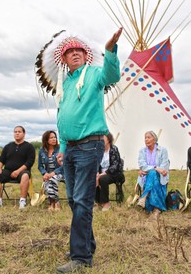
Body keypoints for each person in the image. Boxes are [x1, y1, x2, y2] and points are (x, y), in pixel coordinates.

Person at [39, 27, 123, 273]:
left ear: (86, 55)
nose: (75, 53)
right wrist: (63, 147)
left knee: (83, 200)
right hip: (72, 148)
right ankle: (86, 245)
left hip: (90, 144)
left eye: (79, 50)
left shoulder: (95, 74)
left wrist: (109, 50)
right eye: (69, 52)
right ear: (63, 59)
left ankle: (81, 258)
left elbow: (113, 75)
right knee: (74, 200)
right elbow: (62, 120)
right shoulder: (64, 86)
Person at [0, 126, 35, 209]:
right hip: (8, 171)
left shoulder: (29, 147)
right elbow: (1, 159)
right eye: (15, 132)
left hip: (22, 171)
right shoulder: (8, 146)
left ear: (24, 134)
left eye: (19, 132)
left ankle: (22, 201)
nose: (17, 133)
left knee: (25, 176)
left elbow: (29, 162)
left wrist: (18, 171)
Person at [136, 131, 169, 218]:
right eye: (145, 138)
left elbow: (164, 166)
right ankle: (156, 209)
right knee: (153, 173)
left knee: (153, 174)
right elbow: (142, 165)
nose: (146, 139)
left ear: (155, 140)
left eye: (149, 137)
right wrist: (155, 168)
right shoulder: (142, 151)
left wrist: (154, 169)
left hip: (160, 177)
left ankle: (144, 197)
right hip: (145, 177)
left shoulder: (163, 150)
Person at [95, 132, 125, 211]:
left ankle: (106, 203)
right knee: (93, 178)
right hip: (103, 173)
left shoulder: (113, 149)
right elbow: (96, 163)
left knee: (102, 179)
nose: (100, 140)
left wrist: (101, 175)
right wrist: (97, 173)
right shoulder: (99, 151)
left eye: (103, 138)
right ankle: (98, 202)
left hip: (115, 174)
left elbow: (115, 166)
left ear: (108, 139)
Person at [38, 130, 64, 211]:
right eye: (51, 138)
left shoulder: (60, 149)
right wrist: (44, 173)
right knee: (47, 181)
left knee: (52, 179)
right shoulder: (42, 150)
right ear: (46, 140)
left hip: (62, 173)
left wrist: (53, 173)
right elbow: (40, 166)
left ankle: (55, 202)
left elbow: (65, 165)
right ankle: (52, 203)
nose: (54, 139)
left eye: (55, 137)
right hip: (48, 174)